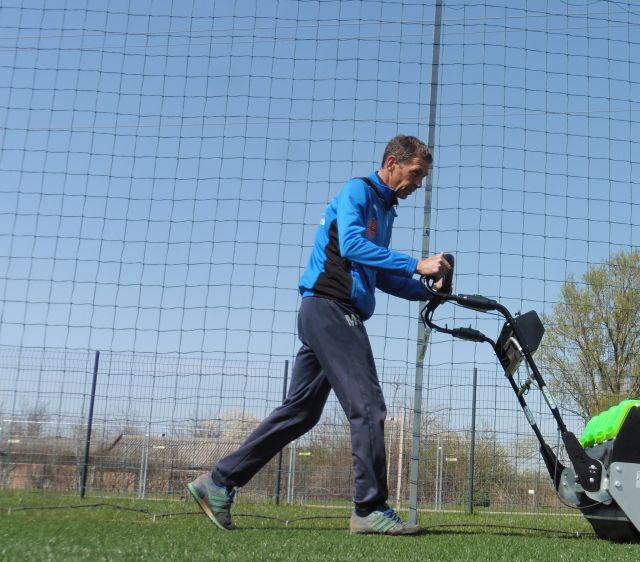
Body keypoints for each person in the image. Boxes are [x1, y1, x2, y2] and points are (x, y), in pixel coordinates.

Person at [188, 135, 450, 535]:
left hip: (325, 313)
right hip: (331, 308)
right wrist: (417, 264)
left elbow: (377, 274)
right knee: (368, 406)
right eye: (415, 174)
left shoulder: (385, 210)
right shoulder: (358, 192)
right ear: (392, 163)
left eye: (422, 178)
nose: (418, 184)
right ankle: (369, 507)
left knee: (301, 412)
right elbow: (352, 246)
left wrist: (427, 291)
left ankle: (218, 482)